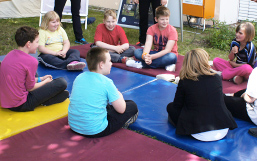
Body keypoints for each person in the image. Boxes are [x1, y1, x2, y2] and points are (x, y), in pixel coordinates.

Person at [166, 49, 237, 142]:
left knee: (170, 107)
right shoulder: (216, 77)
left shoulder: (185, 81)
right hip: (223, 127)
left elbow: (177, 106)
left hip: (198, 132)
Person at [68, 47, 138, 138]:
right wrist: (119, 95)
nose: (111, 63)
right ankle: (123, 123)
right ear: (101, 64)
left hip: (73, 125)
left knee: (106, 105)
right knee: (132, 105)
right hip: (95, 130)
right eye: (109, 61)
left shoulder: (79, 77)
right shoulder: (106, 82)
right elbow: (121, 109)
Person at [0, 26, 69, 112]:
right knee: (62, 82)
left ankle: (47, 98)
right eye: (37, 42)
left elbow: (20, 79)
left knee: (33, 73)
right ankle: (45, 100)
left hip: (5, 101)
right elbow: (30, 88)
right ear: (28, 44)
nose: (38, 45)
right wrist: (45, 82)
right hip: (21, 105)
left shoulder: (10, 54)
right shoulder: (31, 61)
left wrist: (41, 79)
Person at [126, 6, 178, 71]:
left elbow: (167, 50)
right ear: (156, 19)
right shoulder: (151, 28)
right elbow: (148, 43)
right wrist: (145, 55)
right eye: (162, 19)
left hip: (167, 54)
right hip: (155, 52)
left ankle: (142, 64)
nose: (165, 21)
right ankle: (165, 64)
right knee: (137, 52)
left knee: (171, 57)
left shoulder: (172, 30)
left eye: (167, 19)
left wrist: (152, 57)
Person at [224, 67, 257, 137]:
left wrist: (244, 95)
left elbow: (250, 99)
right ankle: (233, 94)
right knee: (246, 91)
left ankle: (229, 96)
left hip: (253, 112)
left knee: (224, 100)